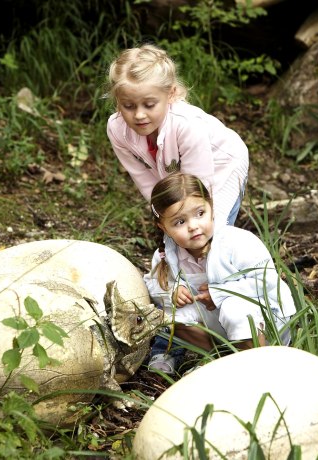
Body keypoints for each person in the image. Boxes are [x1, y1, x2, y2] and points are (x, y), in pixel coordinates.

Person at [106, 44, 249, 372]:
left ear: (170, 95)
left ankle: (235, 331)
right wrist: (165, 219)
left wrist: (182, 226)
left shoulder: (186, 125)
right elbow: (145, 179)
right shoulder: (117, 128)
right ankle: (170, 343)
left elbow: (199, 191)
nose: (139, 115)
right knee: (172, 250)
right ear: (118, 102)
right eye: (128, 106)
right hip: (171, 180)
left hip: (218, 170)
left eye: (149, 104)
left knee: (205, 241)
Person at [143, 173, 296, 360]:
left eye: (200, 214)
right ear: (163, 227)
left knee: (235, 309)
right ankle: (221, 356)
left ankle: (257, 361)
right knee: (170, 317)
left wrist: (218, 293)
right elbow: (152, 283)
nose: (193, 226)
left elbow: (265, 281)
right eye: (180, 222)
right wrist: (173, 290)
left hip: (264, 324)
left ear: (212, 208)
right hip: (219, 330)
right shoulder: (165, 255)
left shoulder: (236, 242)